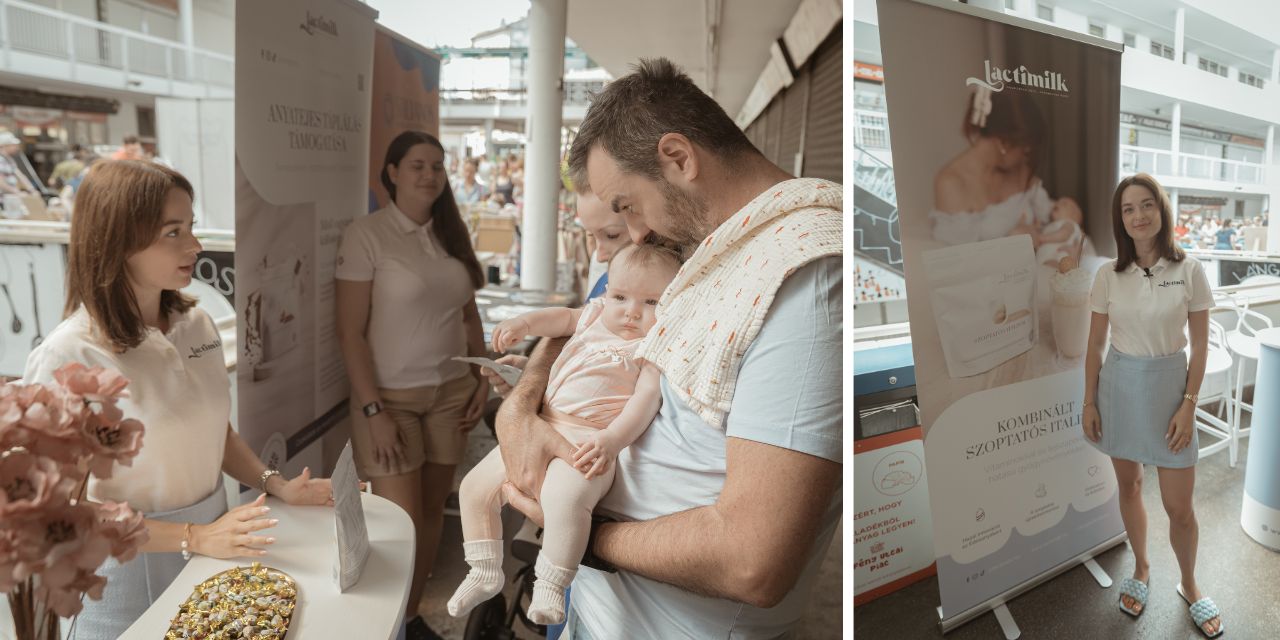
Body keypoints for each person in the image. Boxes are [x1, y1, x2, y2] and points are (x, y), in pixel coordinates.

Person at [495, 58, 842, 638]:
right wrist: (520, 407)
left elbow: (752, 561)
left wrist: (579, 532)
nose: (633, 234)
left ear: (679, 158)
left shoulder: (807, 279)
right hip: (601, 610)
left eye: (627, 205)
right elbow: (590, 323)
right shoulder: (709, 241)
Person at [22, 160, 333, 640]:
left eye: (190, 226)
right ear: (117, 241)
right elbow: (62, 512)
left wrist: (277, 485)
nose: (195, 245)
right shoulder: (70, 355)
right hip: (126, 570)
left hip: (213, 548)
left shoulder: (197, 324)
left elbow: (215, 432)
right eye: (173, 232)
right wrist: (194, 536)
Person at [449, 244, 681, 625]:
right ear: (607, 294)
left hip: (589, 441)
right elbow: (561, 319)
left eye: (651, 302)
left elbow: (645, 400)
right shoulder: (594, 317)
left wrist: (612, 441)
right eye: (620, 297)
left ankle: (551, 583)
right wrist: (525, 325)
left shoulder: (650, 348)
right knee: (474, 487)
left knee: (565, 501)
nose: (631, 311)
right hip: (542, 422)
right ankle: (483, 568)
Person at [335, 130, 489, 640]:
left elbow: (468, 314)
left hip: (452, 395)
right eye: (418, 165)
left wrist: (482, 377)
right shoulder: (367, 235)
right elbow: (350, 333)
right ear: (393, 173)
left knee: (430, 517)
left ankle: (410, 616)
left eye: (437, 166)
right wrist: (372, 412)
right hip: (389, 403)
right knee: (398, 526)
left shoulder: (449, 232)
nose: (429, 175)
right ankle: (387, 628)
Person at [1081, 173, 1223, 638]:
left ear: (1161, 210)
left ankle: (1190, 583)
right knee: (1130, 487)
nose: (1138, 215)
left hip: (1171, 392)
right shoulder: (1108, 274)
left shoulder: (1189, 270)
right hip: (1119, 388)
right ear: (1120, 220)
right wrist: (1089, 401)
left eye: (1146, 205)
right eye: (1128, 208)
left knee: (1180, 508)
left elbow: (1199, 346)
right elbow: (1095, 344)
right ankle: (1141, 568)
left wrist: (1189, 405)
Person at [931, 87, 1054, 245]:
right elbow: (960, 256)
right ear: (1004, 143)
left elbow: (1049, 216)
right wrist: (1012, 240)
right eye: (1025, 149)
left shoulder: (1020, 169)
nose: (1026, 157)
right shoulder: (950, 183)